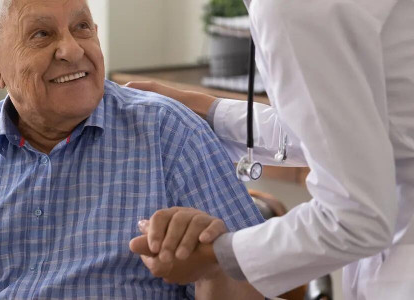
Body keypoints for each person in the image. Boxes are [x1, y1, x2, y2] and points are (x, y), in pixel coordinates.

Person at [0, 0, 266, 299]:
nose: (71, 49)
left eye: (81, 27)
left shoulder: (169, 133)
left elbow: (257, 282)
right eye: (41, 34)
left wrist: (214, 262)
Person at [127, 0, 414, 299]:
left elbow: (357, 218)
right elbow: (349, 130)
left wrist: (217, 256)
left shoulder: (291, 8)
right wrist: (212, 111)